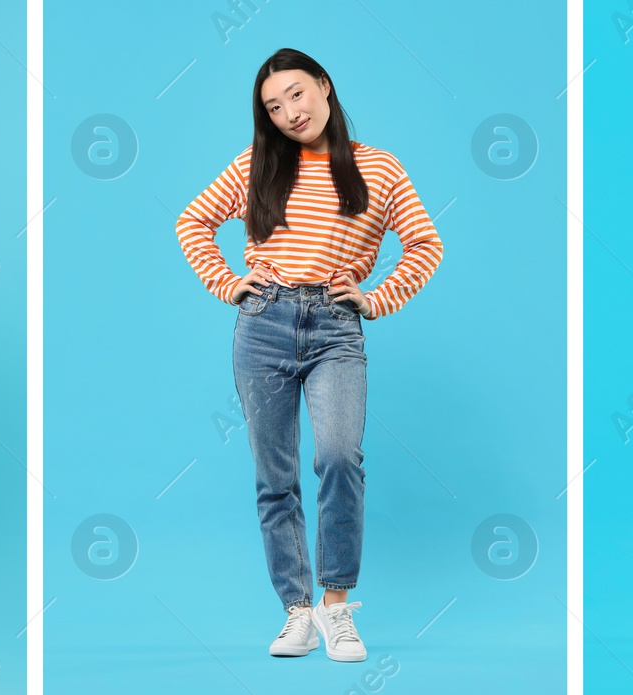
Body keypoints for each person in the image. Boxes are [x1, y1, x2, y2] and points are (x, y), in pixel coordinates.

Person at [176, 48, 443, 662]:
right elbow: (193, 222)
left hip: (335, 328)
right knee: (275, 476)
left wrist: (376, 299)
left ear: (324, 86)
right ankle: (295, 613)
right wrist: (227, 283)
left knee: (339, 457)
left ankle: (336, 607)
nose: (289, 112)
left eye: (296, 94)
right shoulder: (257, 166)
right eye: (273, 106)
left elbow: (425, 244)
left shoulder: (378, 167)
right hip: (262, 323)